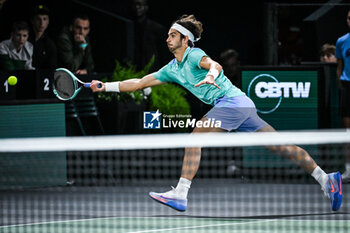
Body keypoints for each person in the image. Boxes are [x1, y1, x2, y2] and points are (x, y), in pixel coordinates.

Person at [90, 14, 342, 212]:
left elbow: (215, 64)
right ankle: (326, 179)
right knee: (281, 146)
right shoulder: (171, 68)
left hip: (231, 102)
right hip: (242, 105)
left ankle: (181, 192)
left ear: (185, 40)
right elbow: (140, 82)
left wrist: (211, 75)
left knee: (195, 137)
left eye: (173, 35)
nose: (167, 38)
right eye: (168, 34)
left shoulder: (194, 55)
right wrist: (106, 86)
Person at [129, 0, 169, 71]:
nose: (137, 7)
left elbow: (163, 53)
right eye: (135, 5)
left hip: (152, 69)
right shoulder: (129, 27)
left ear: (146, 7)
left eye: (140, 5)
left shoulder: (157, 28)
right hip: (133, 67)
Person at [335, 9, 350, 183]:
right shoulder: (342, 41)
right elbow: (339, 66)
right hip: (347, 87)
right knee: (347, 132)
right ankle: (349, 169)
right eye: (348, 18)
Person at [29, 4, 57, 69]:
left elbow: (52, 67)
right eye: (38, 19)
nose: (42, 23)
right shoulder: (24, 38)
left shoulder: (50, 44)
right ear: (32, 20)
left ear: (48, 21)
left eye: (45, 19)